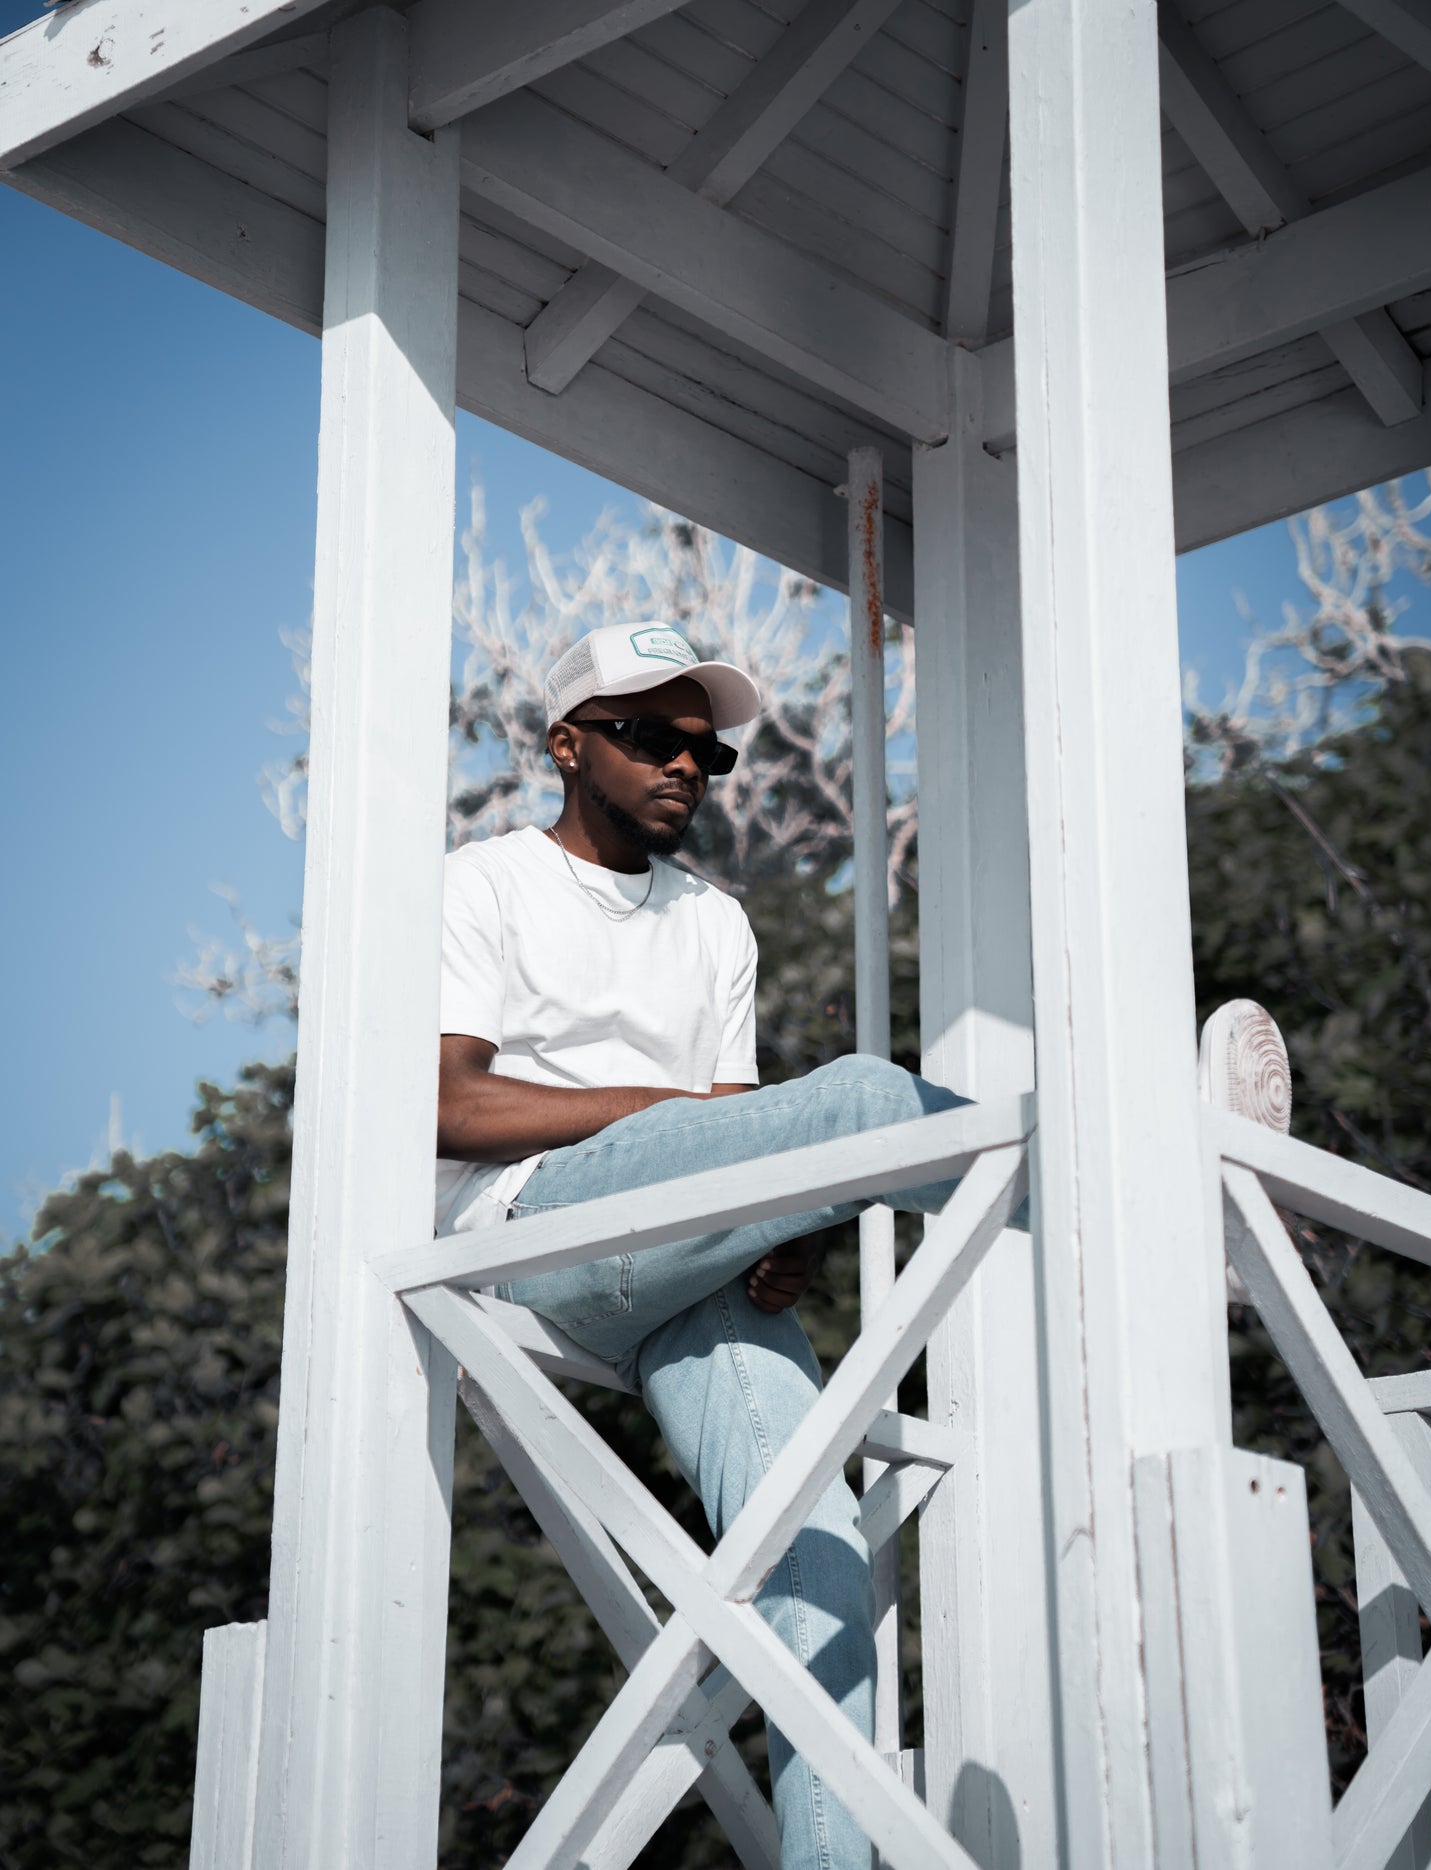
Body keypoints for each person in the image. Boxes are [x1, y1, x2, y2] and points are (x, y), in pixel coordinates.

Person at [434, 621, 967, 1870]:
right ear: (568, 747)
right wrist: (691, 1126)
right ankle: (1129, 1177)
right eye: (648, 737)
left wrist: (784, 1236)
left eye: (704, 749)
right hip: (532, 1230)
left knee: (818, 1550)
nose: (684, 763)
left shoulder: (715, 923)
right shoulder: (484, 880)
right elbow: (446, 1105)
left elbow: (740, 1150)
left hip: (678, 1260)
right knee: (853, 1097)